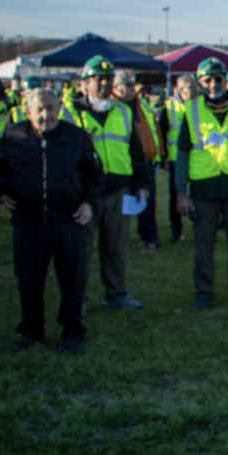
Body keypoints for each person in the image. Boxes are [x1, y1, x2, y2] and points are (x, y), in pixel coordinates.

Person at [0, 88, 103, 354]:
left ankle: (72, 332)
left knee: (73, 279)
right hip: (28, 221)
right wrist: (0, 192)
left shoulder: (76, 137)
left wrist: (89, 202)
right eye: (39, 109)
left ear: (59, 108)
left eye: (51, 108)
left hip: (68, 220)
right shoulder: (13, 136)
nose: (46, 114)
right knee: (28, 279)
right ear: (27, 111)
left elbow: (94, 175)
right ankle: (31, 330)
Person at [174, 57, 228, 310]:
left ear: (226, 79)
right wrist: (181, 192)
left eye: (218, 79)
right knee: (203, 243)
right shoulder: (192, 110)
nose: (214, 84)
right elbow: (182, 154)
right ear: (200, 83)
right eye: (207, 80)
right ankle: (204, 292)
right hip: (204, 189)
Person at [71, 55, 150, 311]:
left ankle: (115, 292)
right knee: (80, 250)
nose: (104, 84)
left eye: (107, 79)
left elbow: (136, 152)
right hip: (83, 193)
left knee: (116, 247)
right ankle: (78, 298)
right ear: (84, 83)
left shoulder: (123, 111)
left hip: (117, 191)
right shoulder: (71, 113)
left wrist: (141, 183)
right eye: (97, 79)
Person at [113, 71, 162, 248]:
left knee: (148, 199)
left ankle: (149, 235)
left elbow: (154, 129)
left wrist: (159, 154)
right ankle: (119, 237)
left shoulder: (142, 105)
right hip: (121, 161)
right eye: (126, 85)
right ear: (115, 88)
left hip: (144, 159)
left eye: (132, 85)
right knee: (122, 202)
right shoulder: (112, 108)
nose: (131, 89)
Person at [160, 75, 197, 243]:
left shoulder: (199, 106)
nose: (195, 91)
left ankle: (203, 228)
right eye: (192, 88)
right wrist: (164, 157)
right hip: (176, 158)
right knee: (175, 195)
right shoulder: (169, 107)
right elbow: (161, 133)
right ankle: (176, 230)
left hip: (198, 158)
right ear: (181, 90)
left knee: (199, 194)